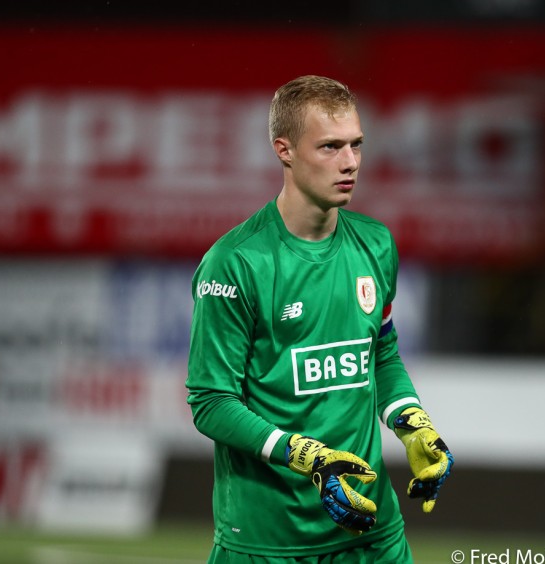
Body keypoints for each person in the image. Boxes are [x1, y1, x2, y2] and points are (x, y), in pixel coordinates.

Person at [186, 75, 454, 563]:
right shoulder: (236, 263)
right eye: (330, 147)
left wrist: (410, 421)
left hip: (373, 533)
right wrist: (304, 455)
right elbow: (210, 401)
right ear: (284, 150)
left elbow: (381, 353)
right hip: (269, 541)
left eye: (356, 145)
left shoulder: (376, 244)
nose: (349, 162)